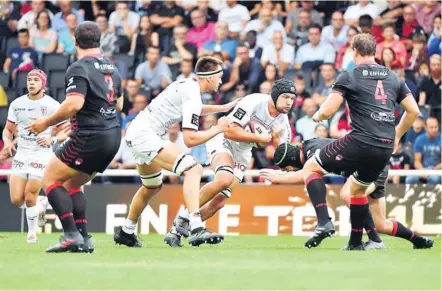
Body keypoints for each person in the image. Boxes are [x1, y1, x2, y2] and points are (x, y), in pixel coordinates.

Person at [263, 33, 420, 251]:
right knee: (354, 193)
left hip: (360, 142)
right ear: (374, 51)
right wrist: (397, 135)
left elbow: (328, 110)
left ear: (354, 51)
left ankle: (324, 222)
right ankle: (358, 243)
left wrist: (317, 116)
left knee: (311, 168)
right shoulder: (394, 77)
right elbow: (413, 111)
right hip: (384, 147)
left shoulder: (350, 75)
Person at [113, 56, 237, 248]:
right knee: (193, 169)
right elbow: (190, 139)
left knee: (152, 186)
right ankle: (196, 227)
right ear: (210, 77)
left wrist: (224, 108)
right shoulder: (192, 93)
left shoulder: (188, 85)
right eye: (219, 76)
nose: (221, 80)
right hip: (146, 135)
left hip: (139, 131)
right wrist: (218, 129)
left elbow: (195, 109)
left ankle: (126, 231)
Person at [26, 22, 124, 253]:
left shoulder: (79, 67)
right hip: (112, 136)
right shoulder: (112, 67)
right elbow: (119, 105)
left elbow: (74, 103)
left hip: (90, 136)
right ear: (99, 40)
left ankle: (70, 234)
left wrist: (44, 123)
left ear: (74, 39)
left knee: (50, 179)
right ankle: (84, 237)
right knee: (71, 183)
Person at [164, 79, 296, 247]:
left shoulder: (283, 122)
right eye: (285, 97)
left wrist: (277, 142)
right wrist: (258, 138)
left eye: (292, 98)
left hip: (243, 152)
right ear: (275, 95)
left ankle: (176, 232)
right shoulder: (254, 101)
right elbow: (229, 131)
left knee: (219, 202)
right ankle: (183, 218)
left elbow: (281, 156)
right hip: (223, 141)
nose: (289, 102)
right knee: (224, 179)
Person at [260, 140, 434, 250]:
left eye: (287, 168)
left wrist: (278, 177)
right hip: (371, 169)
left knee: (348, 194)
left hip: (371, 167)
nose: (291, 171)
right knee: (381, 223)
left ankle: (371, 241)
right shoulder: (309, 149)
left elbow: (304, 174)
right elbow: (305, 174)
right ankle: (418, 240)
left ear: (291, 161)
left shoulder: (312, 151)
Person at [1, 69, 68, 243]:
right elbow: (8, 130)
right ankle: (41, 205)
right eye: (29, 79)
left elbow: (66, 130)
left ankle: (32, 234)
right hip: (22, 155)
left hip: (42, 155)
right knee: (16, 199)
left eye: (36, 80)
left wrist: (52, 139)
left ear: (43, 84)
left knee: (30, 195)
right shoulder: (17, 104)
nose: (31, 82)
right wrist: (8, 142)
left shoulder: (53, 105)